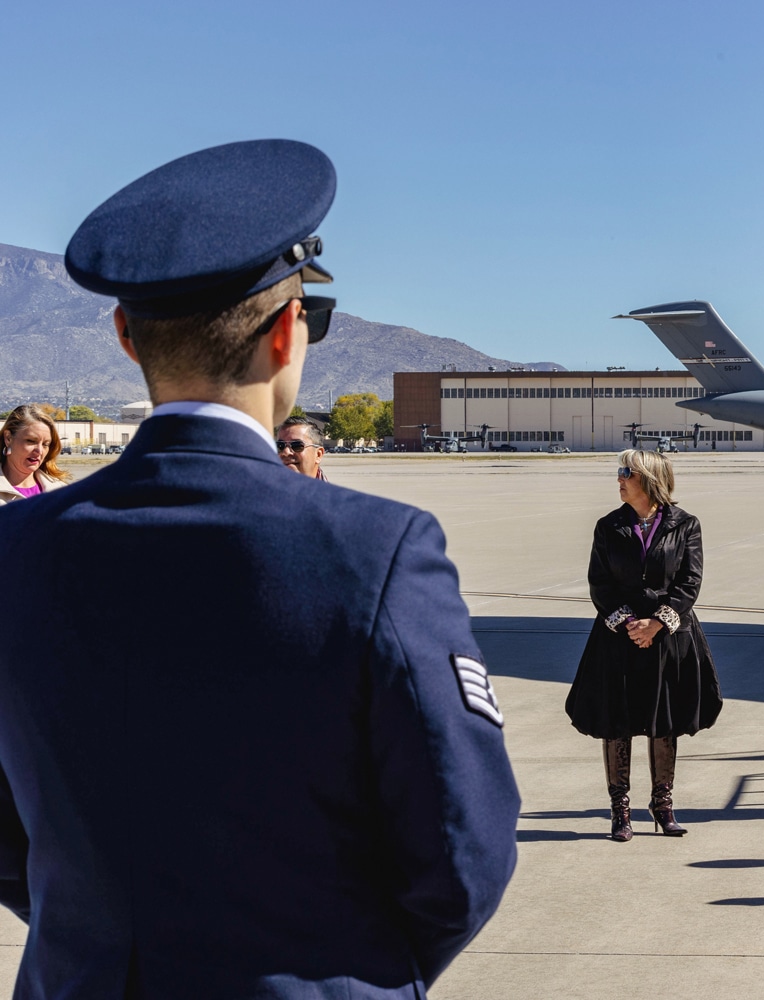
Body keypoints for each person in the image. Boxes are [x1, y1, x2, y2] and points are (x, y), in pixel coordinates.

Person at [0, 140, 520, 995]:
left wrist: (98, 935)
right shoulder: (377, 551)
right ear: (288, 332)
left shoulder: (17, 549)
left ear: (126, 335)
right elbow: (463, 848)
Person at [566, 449, 723, 842]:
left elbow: (689, 582)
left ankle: (663, 805)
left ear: (650, 480)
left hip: (669, 637)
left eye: (627, 472)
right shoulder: (608, 526)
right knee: (616, 721)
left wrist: (658, 623)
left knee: (662, 721)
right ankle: (620, 811)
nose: (619, 478)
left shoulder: (686, 525)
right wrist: (628, 624)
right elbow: (599, 584)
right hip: (619, 638)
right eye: (620, 471)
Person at [0, 405, 69, 504]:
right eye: (31, 441)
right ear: (8, 438)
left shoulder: (60, 491)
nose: (39, 451)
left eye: (45, 444)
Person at [277, 414, 328, 479]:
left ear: (318, 455)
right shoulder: (262, 488)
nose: (286, 452)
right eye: (280, 446)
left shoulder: (329, 489)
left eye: (297, 445)